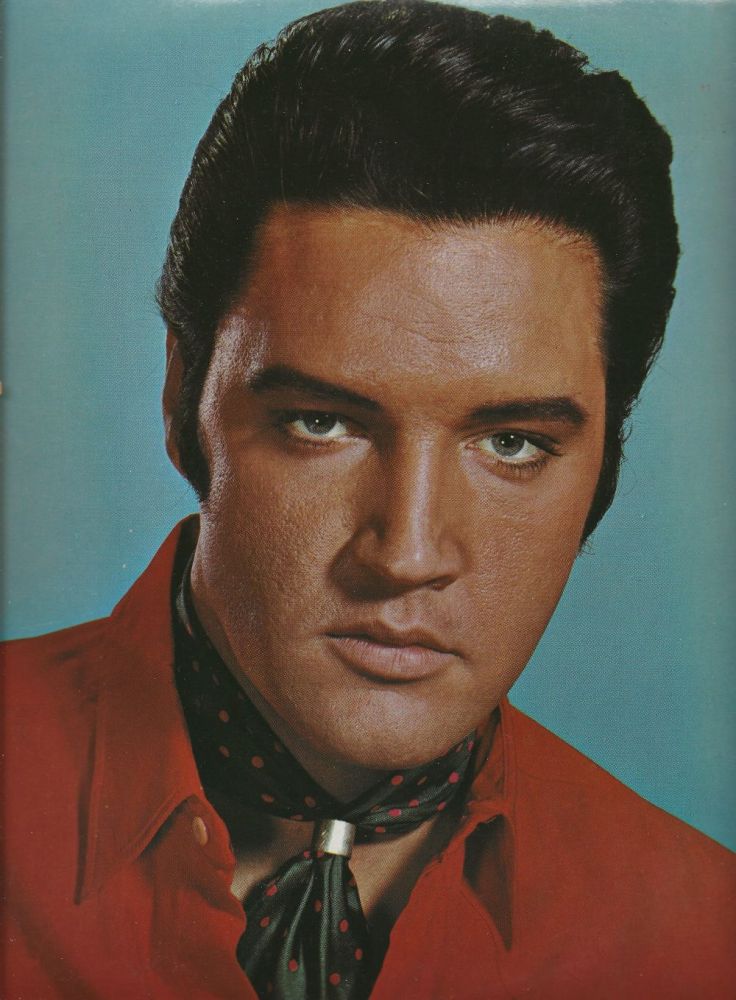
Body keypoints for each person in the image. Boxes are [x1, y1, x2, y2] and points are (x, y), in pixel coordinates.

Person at [3, 2, 734, 997]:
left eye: (512, 443)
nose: (406, 553)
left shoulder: (703, 935)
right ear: (182, 404)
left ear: (605, 465)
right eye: (321, 423)